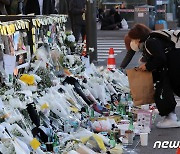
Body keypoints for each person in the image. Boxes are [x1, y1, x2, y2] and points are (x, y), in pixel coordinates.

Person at [120, 24, 180, 128]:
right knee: (167, 88)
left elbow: (161, 58)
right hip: (173, 63)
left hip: (174, 64)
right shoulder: (151, 39)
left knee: (168, 88)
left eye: (133, 40)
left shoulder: (150, 42)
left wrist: (147, 66)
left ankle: (171, 118)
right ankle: (170, 116)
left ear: (137, 39)